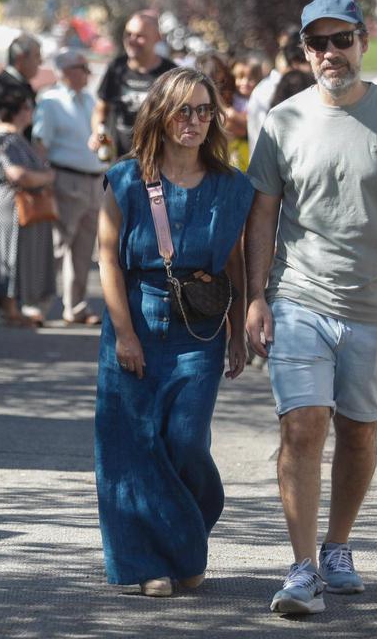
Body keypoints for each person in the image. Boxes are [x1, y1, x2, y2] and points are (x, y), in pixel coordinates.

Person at [246, 0, 377, 615]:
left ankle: (336, 547)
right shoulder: (282, 122)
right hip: (299, 294)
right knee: (302, 427)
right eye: (318, 43)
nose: (331, 53)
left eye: (342, 40)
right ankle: (301, 569)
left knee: (359, 433)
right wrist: (256, 297)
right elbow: (262, 220)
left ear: (362, 42)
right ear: (305, 52)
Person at [94, 67, 252, 598]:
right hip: (137, 316)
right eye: (183, 109)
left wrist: (237, 332)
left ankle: (183, 540)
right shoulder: (124, 178)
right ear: (161, 114)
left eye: (204, 110)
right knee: (132, 445)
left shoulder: (232, 188)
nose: (194, 120)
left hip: (200, 331)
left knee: (184, 442)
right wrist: (123, 333)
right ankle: (150, 563)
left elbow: (234, 263)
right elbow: (107, 258)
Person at [32, 48, 106, 326]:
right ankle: (38, 304)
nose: (87, 73)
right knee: (57, 247)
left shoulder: (90, 100)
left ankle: (75, 306)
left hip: (94, 180)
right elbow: (41, 144)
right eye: (81, 67)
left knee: (84, 249)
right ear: (66, 71)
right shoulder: (51, 102)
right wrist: (44, 183)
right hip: (65, 179)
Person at [0, 86, 57, 327]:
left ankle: (11, 308)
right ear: (18, 111)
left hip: (10, 202)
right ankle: (9, 309)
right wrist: (47, 177)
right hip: (9, 203)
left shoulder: (11, 138)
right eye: (27, 107)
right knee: (9, 253)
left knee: (11, 253)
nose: (31, 112)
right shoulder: (6, 139)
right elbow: (18, 174)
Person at [93, 11, 177, 158]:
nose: (131, 40)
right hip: (120, 164)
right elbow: (101, 109)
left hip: (158, 164)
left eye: (140, 36)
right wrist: (97, 134)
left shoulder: (171, 73)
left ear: (157, 38)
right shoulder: (116, 68)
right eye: (128, 34)